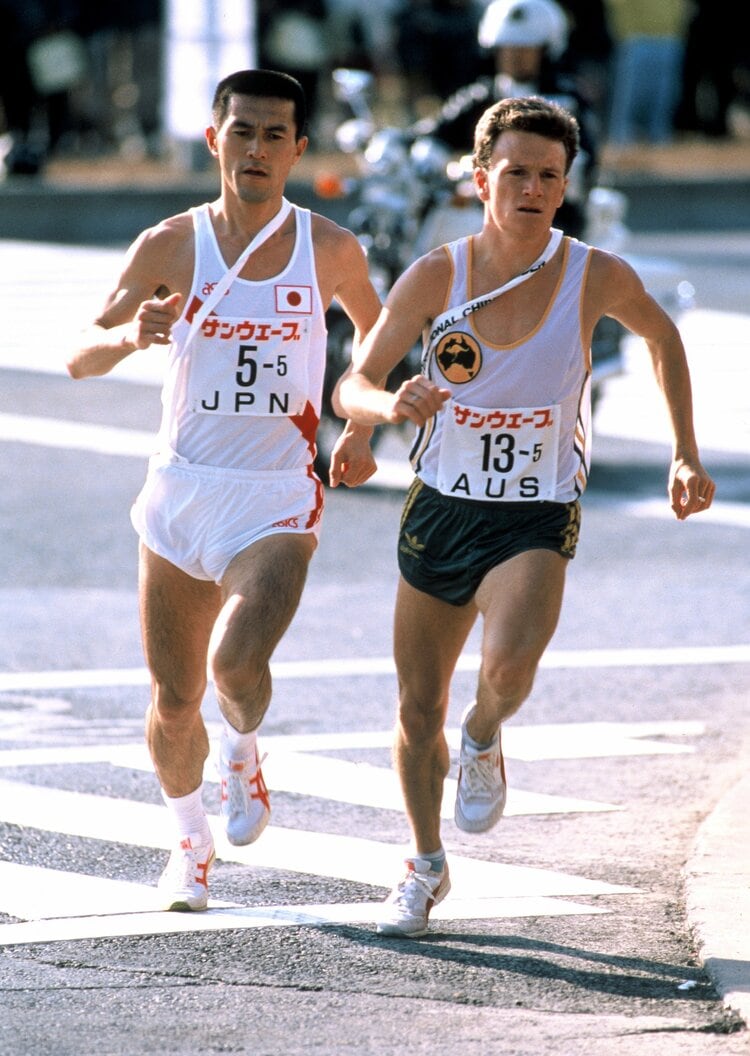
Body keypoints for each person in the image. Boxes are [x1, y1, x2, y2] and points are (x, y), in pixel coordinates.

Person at [336, 94, 716, 938]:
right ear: (481, 180)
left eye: (549, 175)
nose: (533, 189)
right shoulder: (438, 275)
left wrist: (684, 452)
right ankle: (423, 866)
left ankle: (484, 734)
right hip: (442, 507)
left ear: (566, 185)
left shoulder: (593, 273)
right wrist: (381, 412)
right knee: (415, 708)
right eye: (516, 173)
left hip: (536, 513)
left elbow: (662, 337)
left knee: (506, 671)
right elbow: (353, 380)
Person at [66, 69, 382, 911]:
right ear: (215, 140)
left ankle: (243, 751)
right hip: (181, 490)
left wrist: (360, 426)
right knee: (175, 701)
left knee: (235, 666)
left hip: (275, 494)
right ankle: (189, 846)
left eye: (275, 135)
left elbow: (377, 339)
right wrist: (130, 337)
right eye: (242, 131)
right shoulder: (170, 244)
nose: (257, 149)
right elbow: (79, 355)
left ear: (298, 150)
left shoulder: (329, 248)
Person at [413, 0, 599, 239]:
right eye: (507, 48)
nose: (515, 56)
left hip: (548, 213)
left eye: (525, 49)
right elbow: (437, 131)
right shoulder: (482, 95)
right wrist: (420, 150)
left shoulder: (567, 101)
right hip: (485, 205)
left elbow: (582, 162)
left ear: (545, 51)